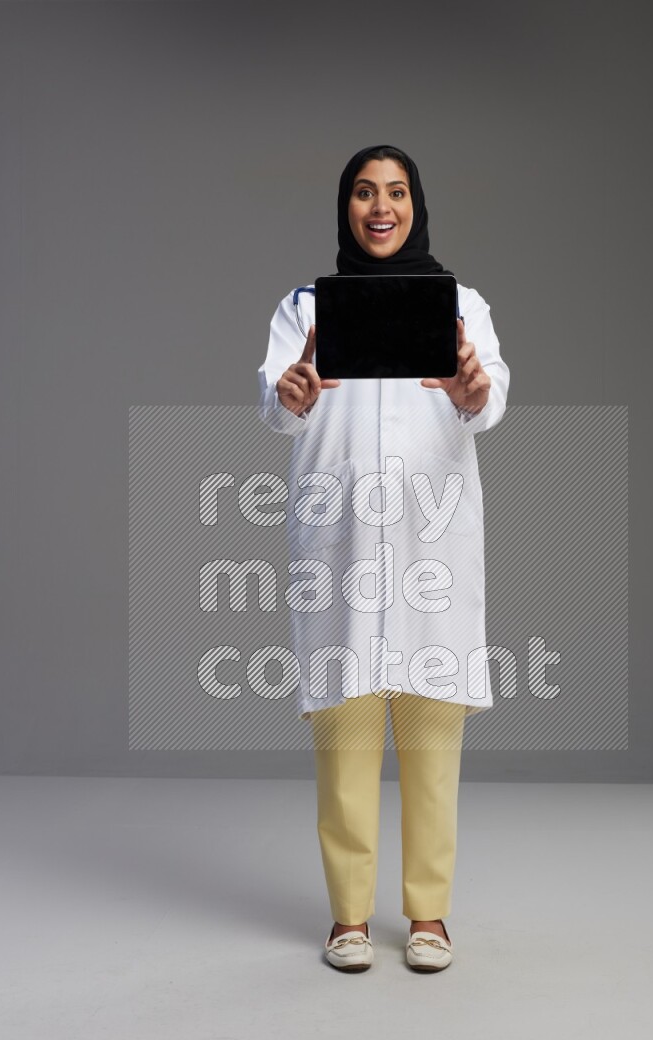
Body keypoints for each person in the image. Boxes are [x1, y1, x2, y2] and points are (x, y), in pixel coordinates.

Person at [258, 145, 509, 972]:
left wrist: (475, 391)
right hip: (342, 548)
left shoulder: (460, 302)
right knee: (347, 736)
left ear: (416, 205)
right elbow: (279, 402)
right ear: (346, 206)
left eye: (396, 192)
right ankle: (349, 917)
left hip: (430, 544)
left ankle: (429, 914)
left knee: (433, 734)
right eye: (365, 192)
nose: (381, 207)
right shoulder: (303, 307)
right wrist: (290, 392)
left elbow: (490, 395)